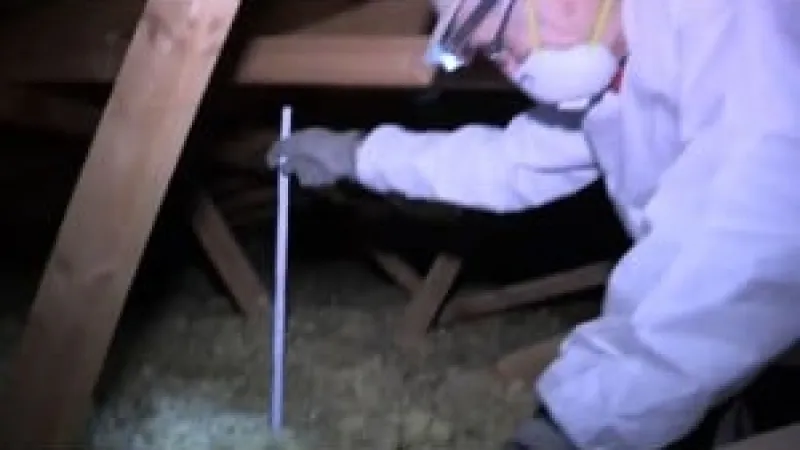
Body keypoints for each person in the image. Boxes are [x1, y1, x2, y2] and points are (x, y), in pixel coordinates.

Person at [266, 0, 800, 448]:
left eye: (496, 42)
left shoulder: (734, 21)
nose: (509, 67)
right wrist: (357, 155)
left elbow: (742, 244)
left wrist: (577, 424)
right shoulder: (628, 64)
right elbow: (510, 163)